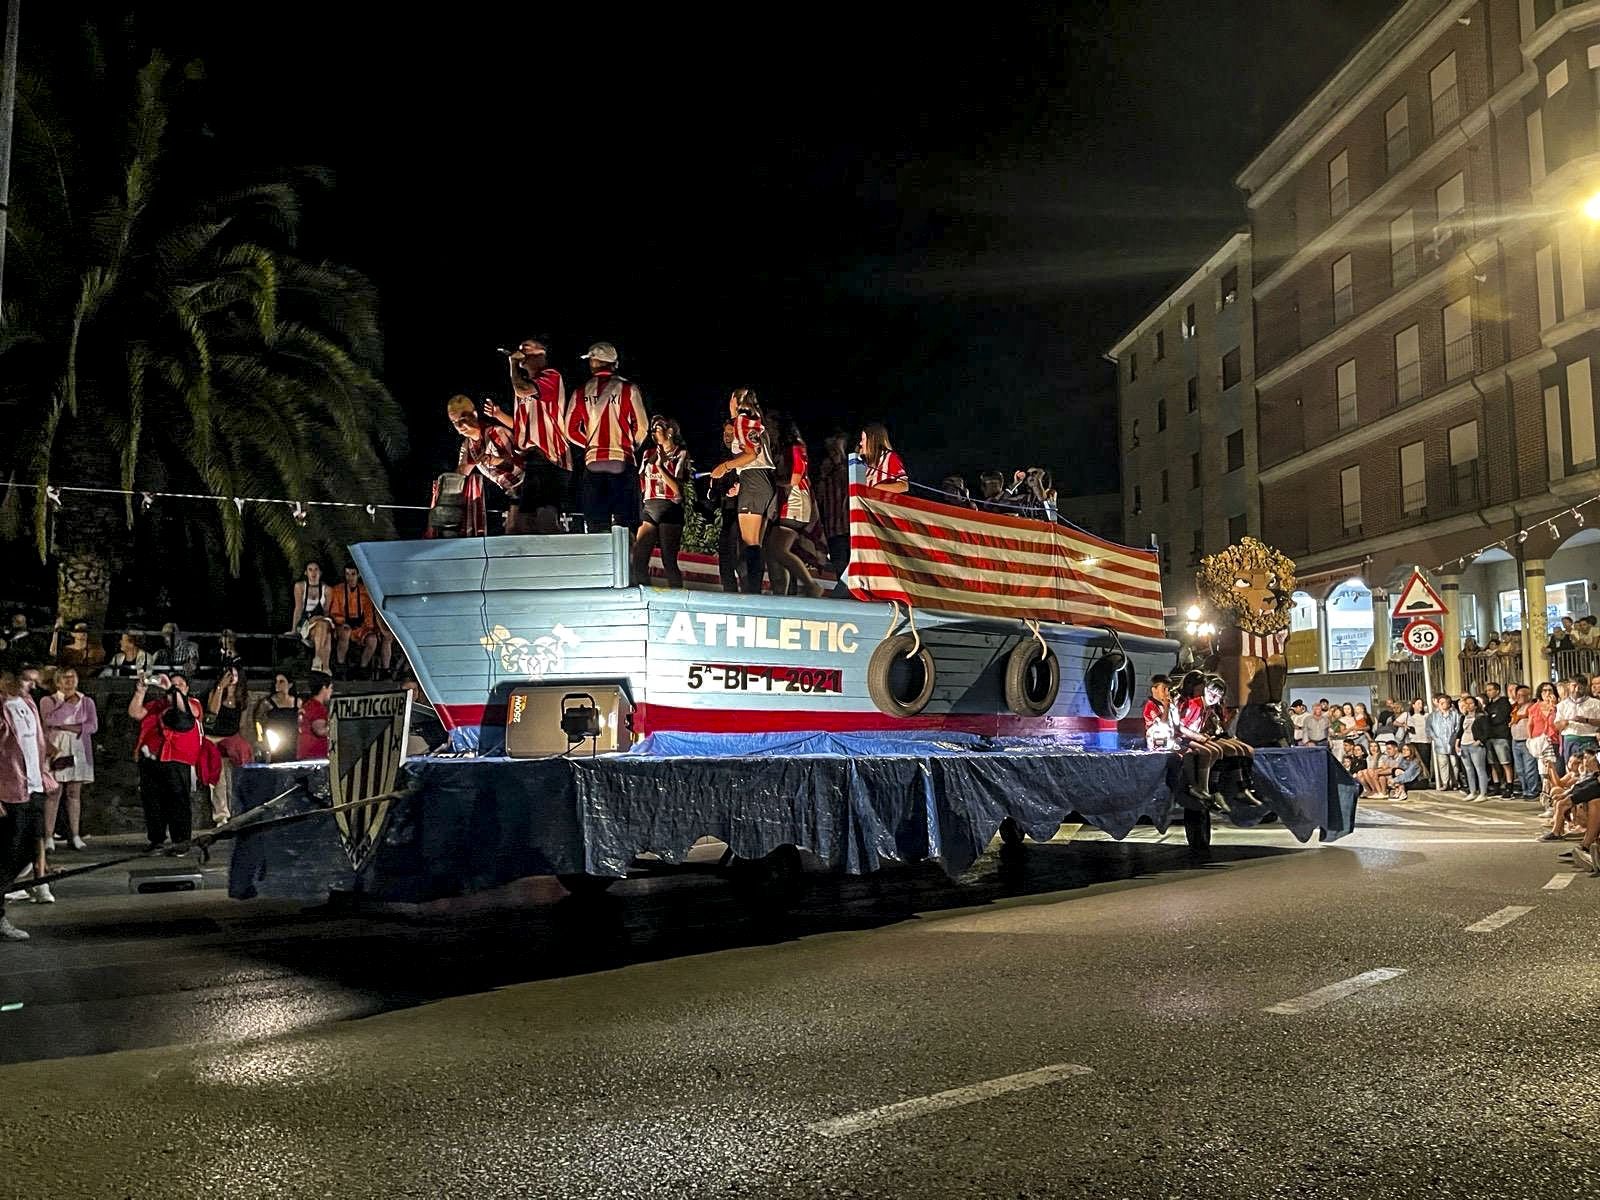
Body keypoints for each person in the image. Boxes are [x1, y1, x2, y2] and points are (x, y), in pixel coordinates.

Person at [487, 338, 570, 534]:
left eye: (527, 347)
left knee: (544, 520)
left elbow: (521, 389)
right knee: (521, 523)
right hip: (530, 460)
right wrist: (498, 415)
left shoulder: (551, 376)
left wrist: (513, 363)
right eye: (520, 347)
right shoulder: (524, 386)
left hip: (549, 457)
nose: (521, 350)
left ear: (542, 352)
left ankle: (554, 560)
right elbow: (521, 427)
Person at [565, 343, 648, 534]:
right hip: (622, 460)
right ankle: (628, 561)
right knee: (626, 522)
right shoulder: (628, 388)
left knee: (596, 523)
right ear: (614, 363)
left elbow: (569, 430)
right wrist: (629, 445)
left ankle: (601, 559)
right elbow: (642, 427)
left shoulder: (580, 391)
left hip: (593, 462)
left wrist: (591, 445)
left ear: (594, 363)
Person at [0, 659, 54, 942]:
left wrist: (43, 775)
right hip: (9, 791)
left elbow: (37, 742)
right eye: (26, 681)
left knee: (28, 850)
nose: (32, 685)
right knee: (8, 852)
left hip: (33, 787)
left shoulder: (28, 703)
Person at [708, 389, 777, 595]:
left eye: (730, 398)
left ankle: (753, 592)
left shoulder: (741, 420)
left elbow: (751, 453)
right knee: (753, 541)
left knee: (750, 542)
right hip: (758, 480)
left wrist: (726, 467)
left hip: (754, 479)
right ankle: (753, 589)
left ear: (737, 402)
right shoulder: (755, 421)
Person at [127, 672, 204, 851]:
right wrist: (140, 691)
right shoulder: (157, 705)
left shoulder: (192, 704)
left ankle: (181, 841)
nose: (176, 686)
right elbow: (136, 713)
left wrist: (172, 689)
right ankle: (157, 839)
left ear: (186, 688)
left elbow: (188, 713)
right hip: (152, 759)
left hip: (177, 759)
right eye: (173, 683)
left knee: (178, 800)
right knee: (152, 800)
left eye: (180, 684)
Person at [448, 393, 526, 537]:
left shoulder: (496, 433)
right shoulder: (467, 446)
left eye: (463, 418)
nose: (460, 426)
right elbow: (459, 476)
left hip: (527, 488)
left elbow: (518, 465)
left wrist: (495, 460)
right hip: (510, 494)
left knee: (515, 530)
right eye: (454, 422)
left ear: (475, 414)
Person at [765, 414, 824, 598]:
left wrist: (771, 480)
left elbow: (795, 478)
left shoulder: (795, 447)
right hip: (785, 504)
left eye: (771, 425)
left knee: (778, 549)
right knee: (773, 550)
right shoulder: (782, 449)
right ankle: (780, 592)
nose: (767, 430)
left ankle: (810, 585)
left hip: (794, 503)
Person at [39, 668, 96, 853]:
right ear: (57, 682)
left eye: (73, 676)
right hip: (58, 749)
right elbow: (50, 720)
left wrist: (67, 726)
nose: (70, 681)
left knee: (74, 793)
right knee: (54, 793)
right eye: (65, 677)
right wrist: (69, 705)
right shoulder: (49, 701)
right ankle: (49, 836)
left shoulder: (87, 701)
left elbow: (91, 726)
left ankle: (75, 834)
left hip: (79, 749)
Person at [632, 417, 691, 589]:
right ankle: (645, 598)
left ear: (669, 432)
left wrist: (661, 466)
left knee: (669, 561)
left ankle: (677, 601)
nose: (653, 432)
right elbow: (641, 479)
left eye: (657, 428)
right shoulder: (647, 454)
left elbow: (678, 488)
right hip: (650, 507)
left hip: (669, 508)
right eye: (652, 429)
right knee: (639, 558)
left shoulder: (681, 453)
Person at [204, 662, 252, 826]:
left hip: (230, 739)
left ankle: (238, 810)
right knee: (219, 777)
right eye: (228, 675)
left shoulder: (243, 699)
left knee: (235, 773)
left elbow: (242, 725)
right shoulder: (215, 692)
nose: (232, 678)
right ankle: (221, 815)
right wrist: (220, 688)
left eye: (235, 675)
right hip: (213, 738)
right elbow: (211, 715)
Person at [329, 565, 394, 679]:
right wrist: (343, 621)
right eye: (347, 574)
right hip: (344, 625)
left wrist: (369, 627)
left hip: (361, 626)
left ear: (358, 575)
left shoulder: (365, 591)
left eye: (353, 574)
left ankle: (363, 668)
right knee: (345, 632)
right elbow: (334, 611)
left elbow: (369, 613)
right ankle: (341, 666)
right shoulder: (337, 590)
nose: (350, 577)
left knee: (372, 639)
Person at [814, 431, 851, 586]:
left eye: (836, 448)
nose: (833, 452)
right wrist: (823, 475)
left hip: (850, 526)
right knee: (840, 565)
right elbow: (819, 498)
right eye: (831, 448)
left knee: (852, 564)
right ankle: (844, 595)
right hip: (833, 527)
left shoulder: (851, 466)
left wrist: (838, 462)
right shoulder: (825, 469)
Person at [289, 561, 335, 674]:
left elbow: (326, 612)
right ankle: (325, 666)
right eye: (310, 569)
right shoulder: (300, 587)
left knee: (323, 626)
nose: (313, 572)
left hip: (320, 622)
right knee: (326, 634)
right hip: (305, 624)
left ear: (320, 572)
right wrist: (294, 629)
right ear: (306, 572)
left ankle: (319, 662)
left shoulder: (327, 590)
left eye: (316, 569)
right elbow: (298, 608)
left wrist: (318, 618)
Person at [253, 672, 301, 764]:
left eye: (281, 681)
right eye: (276, 681)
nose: (277, 684)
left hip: (294, 743)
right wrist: (261, 738)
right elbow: (258, 721)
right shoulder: (267, 703)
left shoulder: (297, 702)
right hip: (276, 742)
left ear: (290, 684)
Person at [1482, 681, 1515, 797]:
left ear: (1497, 690)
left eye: (1491, 690)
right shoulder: (1488, 705)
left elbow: (1500, 717)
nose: (1489, 692)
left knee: (1505, 762)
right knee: (1492, 763)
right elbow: (1486, 718)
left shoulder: (1504, 702)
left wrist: (1491, 718)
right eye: (1487, 690)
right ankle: (1496, 785)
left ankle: (1509, 786)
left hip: (1501, 736)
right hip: (1490, 737)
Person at [1456, 694, 1490, 802]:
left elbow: (1486, 731)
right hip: (1464, 744)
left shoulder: (1481, 716)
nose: (1468, 706)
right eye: (1466, 704)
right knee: (1468, 769)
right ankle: (1472, 791)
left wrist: (1479, 741)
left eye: (1471, 703)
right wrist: (1457, 743)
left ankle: (1483, 793)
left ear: (1476, 705)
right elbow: (1460, 731)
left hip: (1475, 745)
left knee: (1480, 769)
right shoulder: (1463, 717)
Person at [858, 422, 908, 493]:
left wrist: (878, 487)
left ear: (873, 440)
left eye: (863, 439)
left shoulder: (890, 457)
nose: (860, 443)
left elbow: (904, 486)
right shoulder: (868, 465)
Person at [1426, 692, 1461, 790]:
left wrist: (1454, 738)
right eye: (1440, 702)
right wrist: (1435, 738)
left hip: (1452, 743)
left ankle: (1454, 782)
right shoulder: (1432, 716)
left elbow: (1457, 727)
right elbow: (1429, 729)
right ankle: (1445, 783)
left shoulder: (1454, 714)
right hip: (1440, 743)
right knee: (1443, 763)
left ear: (1449, 704)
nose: (1442, 704)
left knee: (1454, 763)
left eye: (1444, 702)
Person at [298, 672, 333, 760]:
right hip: (315, 758)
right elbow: (320, 730)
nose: (331, 691)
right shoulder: (317, 707)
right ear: (324, 687)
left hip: (306, 755)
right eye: (331, 688)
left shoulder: (308, 705)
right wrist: (336, 729)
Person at [1143, 674, 1177, 752]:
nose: (1166, 692)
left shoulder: (1167, 705)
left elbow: (1176, 722)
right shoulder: (1150, 705)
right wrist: (1166, 707)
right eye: (1163, 689)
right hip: (1156, 744)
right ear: (1154, 690)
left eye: (1168, 689)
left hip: (1169, 741)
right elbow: (1162, 724)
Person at [1404, 698, 1430, 776]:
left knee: (1425, 759)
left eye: (1421, 703)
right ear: (1413, 705)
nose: (1420, 705)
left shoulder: (1426, 715)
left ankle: (1426, 776)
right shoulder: (1410, 716)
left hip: (1425, 741)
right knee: (1415, 760)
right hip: (1414, 740)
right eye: (1418, 703)